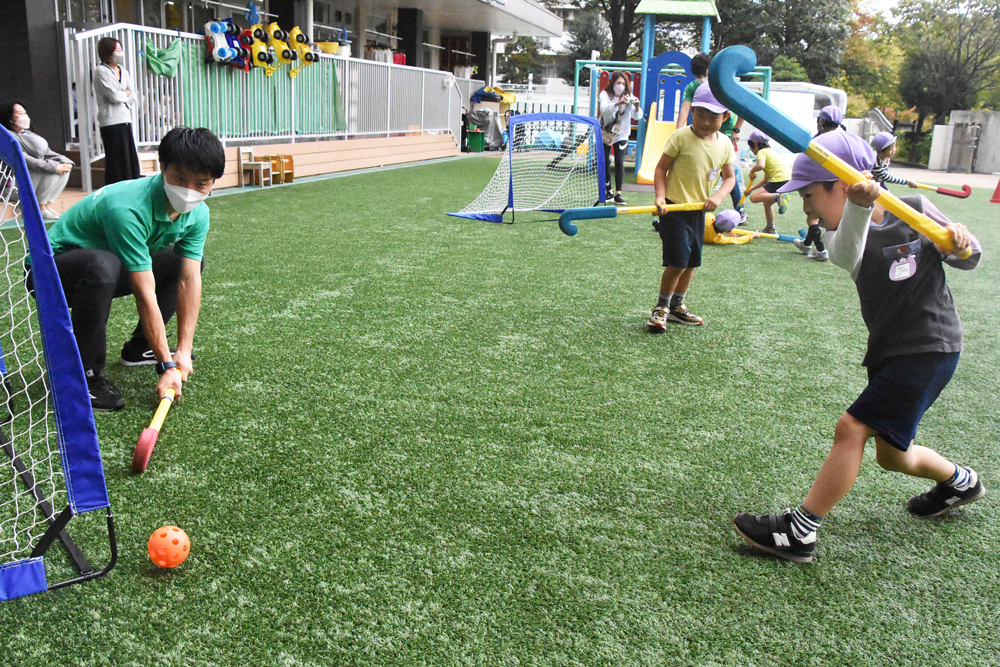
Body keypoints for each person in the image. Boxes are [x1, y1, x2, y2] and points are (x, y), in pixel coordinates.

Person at [734, 131, 985, 563]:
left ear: (841, 183)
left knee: (850, 429)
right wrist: (860, 205)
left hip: (930, 346)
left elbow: (969, 256)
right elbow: (847, 250)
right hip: (891, 350)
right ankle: (961, 483)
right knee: (892, 455)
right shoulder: (841, 237)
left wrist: (960, 243)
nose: (807, 205)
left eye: (810, 194)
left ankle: (800, 531)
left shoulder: (917, 211)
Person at [27, 127, 224, 411]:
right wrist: (166, 365)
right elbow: (145, 293)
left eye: (201, 184)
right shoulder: (126, 208)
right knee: (103, 265)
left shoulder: (198, 214)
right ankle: (84, 375)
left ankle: (139, 348)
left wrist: (183, 351)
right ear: (162, 167)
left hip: (105, 268)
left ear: (213, 182)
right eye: (180, 178)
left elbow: (189, 279)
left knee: (182, 261)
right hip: (49, 274)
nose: (189, 191)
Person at [647, 83, 735, 331]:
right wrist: (660, 197)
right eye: (700, 114)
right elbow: (661, 168)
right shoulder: (681, 136)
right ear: (692, 110)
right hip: (673, 209)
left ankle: (677, 307)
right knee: (678, 261)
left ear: (725, 117)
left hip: (698, 211)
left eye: (713, 117)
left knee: (692, 262)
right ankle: (661, 307)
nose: (706, 122)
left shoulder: (725, 144)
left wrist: (718, 197)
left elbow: (729, 178)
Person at [677, 54, 747, 223]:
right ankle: (690, 206)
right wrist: (678, 132)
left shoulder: (723, 85)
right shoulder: (693, 87)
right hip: (701, 132)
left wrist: (736, 129)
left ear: (710, 71)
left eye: (704, 74)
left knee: (726, 170)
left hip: (725, 130)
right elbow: (685, 110)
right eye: (697, 75)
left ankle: (739, 207)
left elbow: (742, 107)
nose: (701, 79)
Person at [1, 102, 74, 221]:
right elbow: (26, 160)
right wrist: (54, 167)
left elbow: (49, 152)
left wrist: (67, 163)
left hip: (33, 179)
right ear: (10, 119)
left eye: (25, 112)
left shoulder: (29, 134)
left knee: (63, 171)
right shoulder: (7, 137)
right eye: (20, 113)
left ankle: (46, 207)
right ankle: (39, 208)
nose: (25, 116)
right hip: (14, 186)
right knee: (49, 171)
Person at [793, 105, 845, 261]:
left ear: (821, 121)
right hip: (839, 188)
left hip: (820, 185)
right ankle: (807, 244)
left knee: (813, 217)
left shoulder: (817, 142)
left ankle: (822, 250)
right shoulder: (844, 140)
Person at [94, 36, 141, 184]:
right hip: (110, 121)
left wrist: (125, 94)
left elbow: (134, 94)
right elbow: (114, 96)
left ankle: (131, 186)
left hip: (125, 119)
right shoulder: (100, 71)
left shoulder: (124, 71)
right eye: (116, 50)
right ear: (107, 52)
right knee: (116, 160)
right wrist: (125, 93)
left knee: (129, 158)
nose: (120, 53)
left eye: (121, 50)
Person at [598, 72, 643, 204]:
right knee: (605, 161)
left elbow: (637, 117)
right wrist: (618, 104)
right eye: (618, 83)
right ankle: (608, 191)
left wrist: (636, 106)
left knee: (619, 161)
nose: (621, 86)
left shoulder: (629, 96)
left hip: (622, 133)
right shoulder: (605, 94)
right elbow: (604, 110)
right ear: (613, 83)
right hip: (606, 132)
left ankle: (619, 193)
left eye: (623, 83)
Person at [743, 130, 791, 235]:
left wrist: (752, 170)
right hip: (786, 179)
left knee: (753, 198)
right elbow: (765, 181)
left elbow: (760, 166)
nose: (751, 150)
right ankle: (771, 228)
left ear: (755, 144)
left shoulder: (762, 152)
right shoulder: (771, 152)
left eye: (750, 146)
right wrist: (750, 189)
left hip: (779, 179)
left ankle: (778, 197)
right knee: (767, 202)